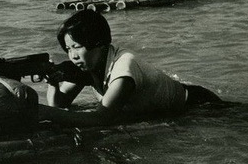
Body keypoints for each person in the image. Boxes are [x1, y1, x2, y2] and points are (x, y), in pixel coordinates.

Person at [38, 9, 221, 127]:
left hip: (198, 105)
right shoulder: (89, 65)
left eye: (77, 47)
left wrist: (44, 112)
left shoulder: (124, 66)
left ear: (99, 44)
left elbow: (102, 119)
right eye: (68, 49)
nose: (72, 55)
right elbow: (59, 104)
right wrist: (53, 82)